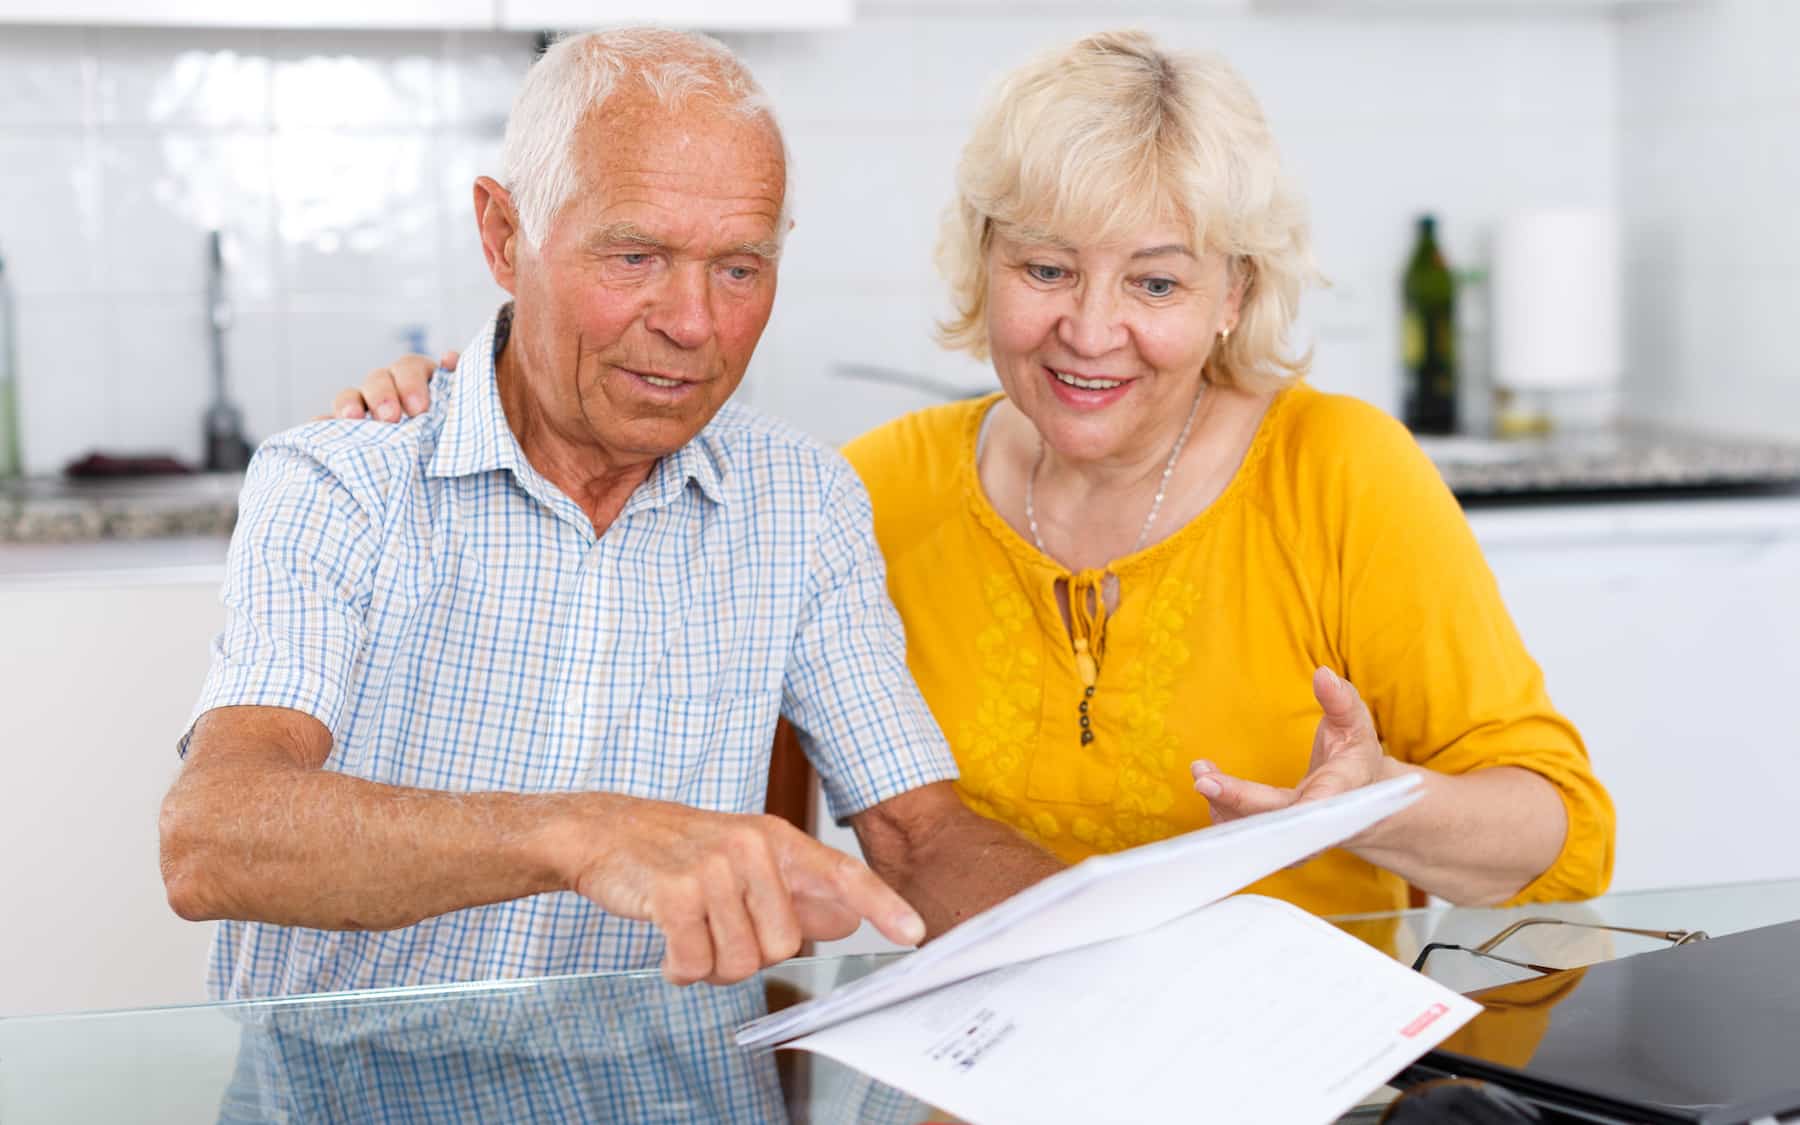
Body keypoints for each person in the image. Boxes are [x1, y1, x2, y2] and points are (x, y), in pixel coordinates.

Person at [344, 30, 1614, 919]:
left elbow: (1565, 838)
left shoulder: (1340, 471)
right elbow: (768, 836)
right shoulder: (868, 492)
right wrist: (467, 386)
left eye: (1158, 281)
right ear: (983, 262)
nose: (1092, 329)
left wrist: (1386, 810)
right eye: (1048, 269)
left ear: (1236, 294)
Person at [158, 27, 1065, 1006]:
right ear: (505, 237)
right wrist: (580, 834)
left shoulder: (801, 502)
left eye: (739, 268)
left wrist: (1155, 950)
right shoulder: (346, 483)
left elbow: (920, 836)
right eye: (636, 255)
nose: (691, 323)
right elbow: (214, 838)